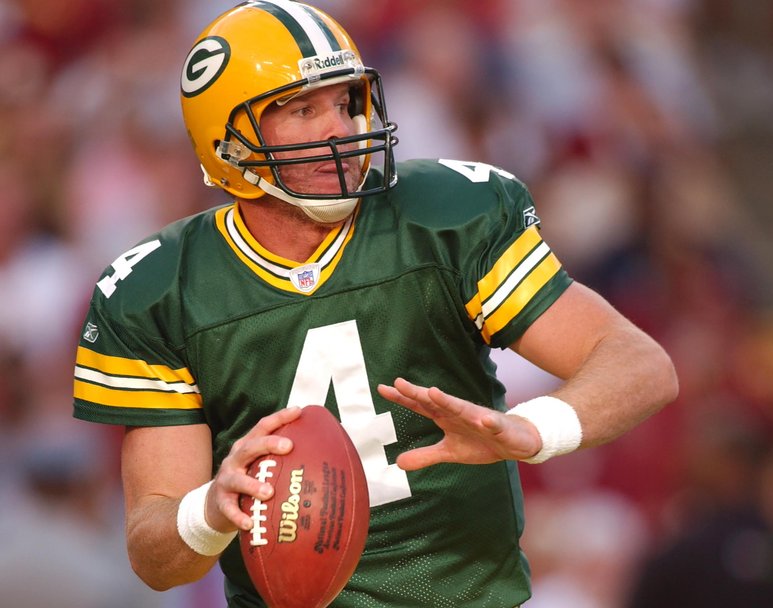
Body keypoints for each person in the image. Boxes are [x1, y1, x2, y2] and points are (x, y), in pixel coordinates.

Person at [72, 2, 678, 606]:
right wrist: (211, 507)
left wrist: (529, 429)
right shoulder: (159, 290)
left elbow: (639, 364)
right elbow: (154, 557)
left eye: (345, 102)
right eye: (303, 109)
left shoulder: (444, 218)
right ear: (227, 142)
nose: (337, 127)